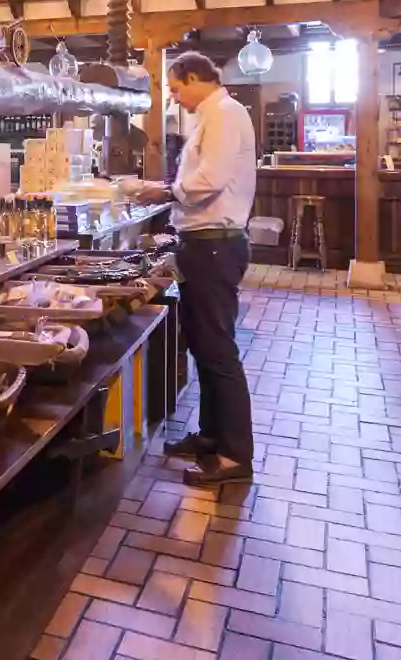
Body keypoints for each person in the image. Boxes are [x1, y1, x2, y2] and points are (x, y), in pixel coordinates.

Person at [136, 51, 256, 487]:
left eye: (175, 88)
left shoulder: (225, 113)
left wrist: (163, 191)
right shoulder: (212, 114)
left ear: (193, 77)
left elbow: (211, 179)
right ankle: (211, 436)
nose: (174, 97)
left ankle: (234, 455)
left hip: (214, 247)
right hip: (202, 246)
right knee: (204, 345)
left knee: (219, 349)